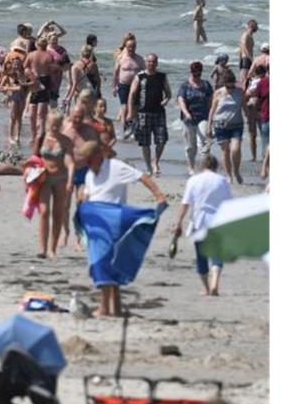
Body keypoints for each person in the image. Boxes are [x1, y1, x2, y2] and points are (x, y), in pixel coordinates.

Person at [75, 141, 167, 317]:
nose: (87, 165)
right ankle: (115, 308)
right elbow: (87, 197)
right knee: (106, 263)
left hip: (115, 222)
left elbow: (142, 177)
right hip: (98, 226)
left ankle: (104, 308)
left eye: (88, 160)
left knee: (104, 263)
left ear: (98, 156)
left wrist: (159, 196)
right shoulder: (89, 174)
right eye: (84, 162)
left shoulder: (116, 167)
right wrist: (82, 210)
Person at [172, 155, 231, 296]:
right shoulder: (222, 181)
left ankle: (206, 288)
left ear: (202, 166)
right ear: (216, 167)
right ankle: (215, 283)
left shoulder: (193, 180)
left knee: (201, 255)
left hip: (199, 221)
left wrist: (178, 222)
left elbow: (185, 204)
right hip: (218, 220)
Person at [33, 113, 75, 260]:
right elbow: (34, 159)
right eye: (53, 125)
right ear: (47, 124)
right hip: (44, 179)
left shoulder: (65, 141)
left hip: (61, 179)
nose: (55, 127)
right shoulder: (41, 138)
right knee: (44, 211)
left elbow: (70, 162)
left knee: (58, 213)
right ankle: (42, 248)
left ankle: (52, 249)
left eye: (58, 124)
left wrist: (70, 179)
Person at [126, 53, 172, 175]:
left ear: (157, 63)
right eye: (149, 61)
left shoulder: (162, 76)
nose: (151, 64)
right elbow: (132, 94)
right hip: (143, 113)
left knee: (161, 140)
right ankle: (148, 167)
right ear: (146, 63)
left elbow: (169, 93)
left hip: (159, 113)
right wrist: (130, 112)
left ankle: (155, 161)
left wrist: (166, 100)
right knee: (145, 142)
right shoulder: (139, 77)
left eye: (153, 62)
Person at [207, 69, 246, 185]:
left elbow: (244, 107)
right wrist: (209, 127)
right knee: (225, 151)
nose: (231, 88)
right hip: (220, 125)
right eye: (228, 86)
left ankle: (236, 171)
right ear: (224, 83)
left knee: (235, 149)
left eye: (232, 85)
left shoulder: (239, 91)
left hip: (237, 125)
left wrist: (251, 117)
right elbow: (212, 111)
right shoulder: (218, 93)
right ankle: (229, 175)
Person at [177, 62, 215, 176]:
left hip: (203, 117)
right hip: (188, 119)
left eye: (199, 73)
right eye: (195, 74)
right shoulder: (185, 86)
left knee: (204, 143)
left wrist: (211, 119)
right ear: (191, 72)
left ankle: (205, 168)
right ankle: (191, 168)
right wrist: (186, 113)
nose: (197, 76)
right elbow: (181, 100)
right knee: (190, 146)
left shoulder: (206, 85)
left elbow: (211, 102)